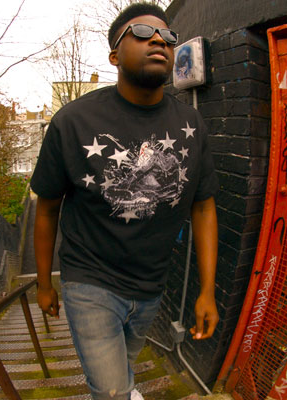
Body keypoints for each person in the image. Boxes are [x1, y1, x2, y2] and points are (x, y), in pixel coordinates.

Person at [31, 3, 219, 399]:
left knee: (125, 366)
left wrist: (207, 290)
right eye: (142, 33)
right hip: (89, 281)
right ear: (114, 55)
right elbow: (46, 209)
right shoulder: (72, 121)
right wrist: (44, 284)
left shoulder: (192, 125)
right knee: (112, 390)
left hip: (151, 285)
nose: (159, 41)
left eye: (168, 37)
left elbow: (203, 207)